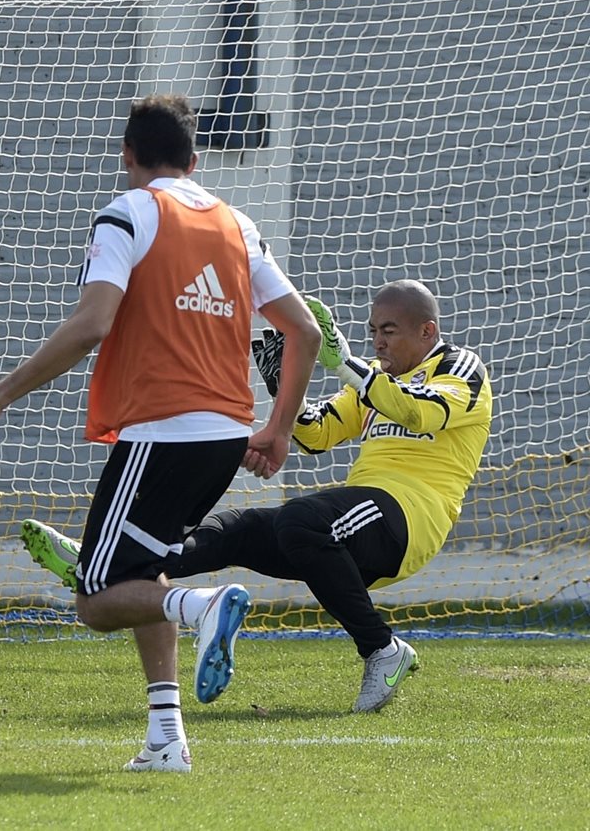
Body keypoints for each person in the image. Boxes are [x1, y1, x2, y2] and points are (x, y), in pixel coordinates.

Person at [0, 94, 322, 773]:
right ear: (194, 161)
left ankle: (202, 606)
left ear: (128, 157)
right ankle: (166, 737)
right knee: (143, 571)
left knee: (94, 596)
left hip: (164, 431)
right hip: (227, 432)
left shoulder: (128, 213)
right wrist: (279, 428)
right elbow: (305, 329)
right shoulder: (236, 223)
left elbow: (91, 324)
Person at [28, 280, 493, 714]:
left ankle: (382, 650)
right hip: (362, 511)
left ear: (427, 330)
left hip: (409, 519)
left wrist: (343, 365)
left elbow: (418, 412)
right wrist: (282, 385)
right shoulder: (375, 379)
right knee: (240, 529)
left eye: (388, 331)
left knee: (300, 519)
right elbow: (316, 434)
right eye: (373, 331)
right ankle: (108, 569)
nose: (378, 342)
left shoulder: (460, 367)